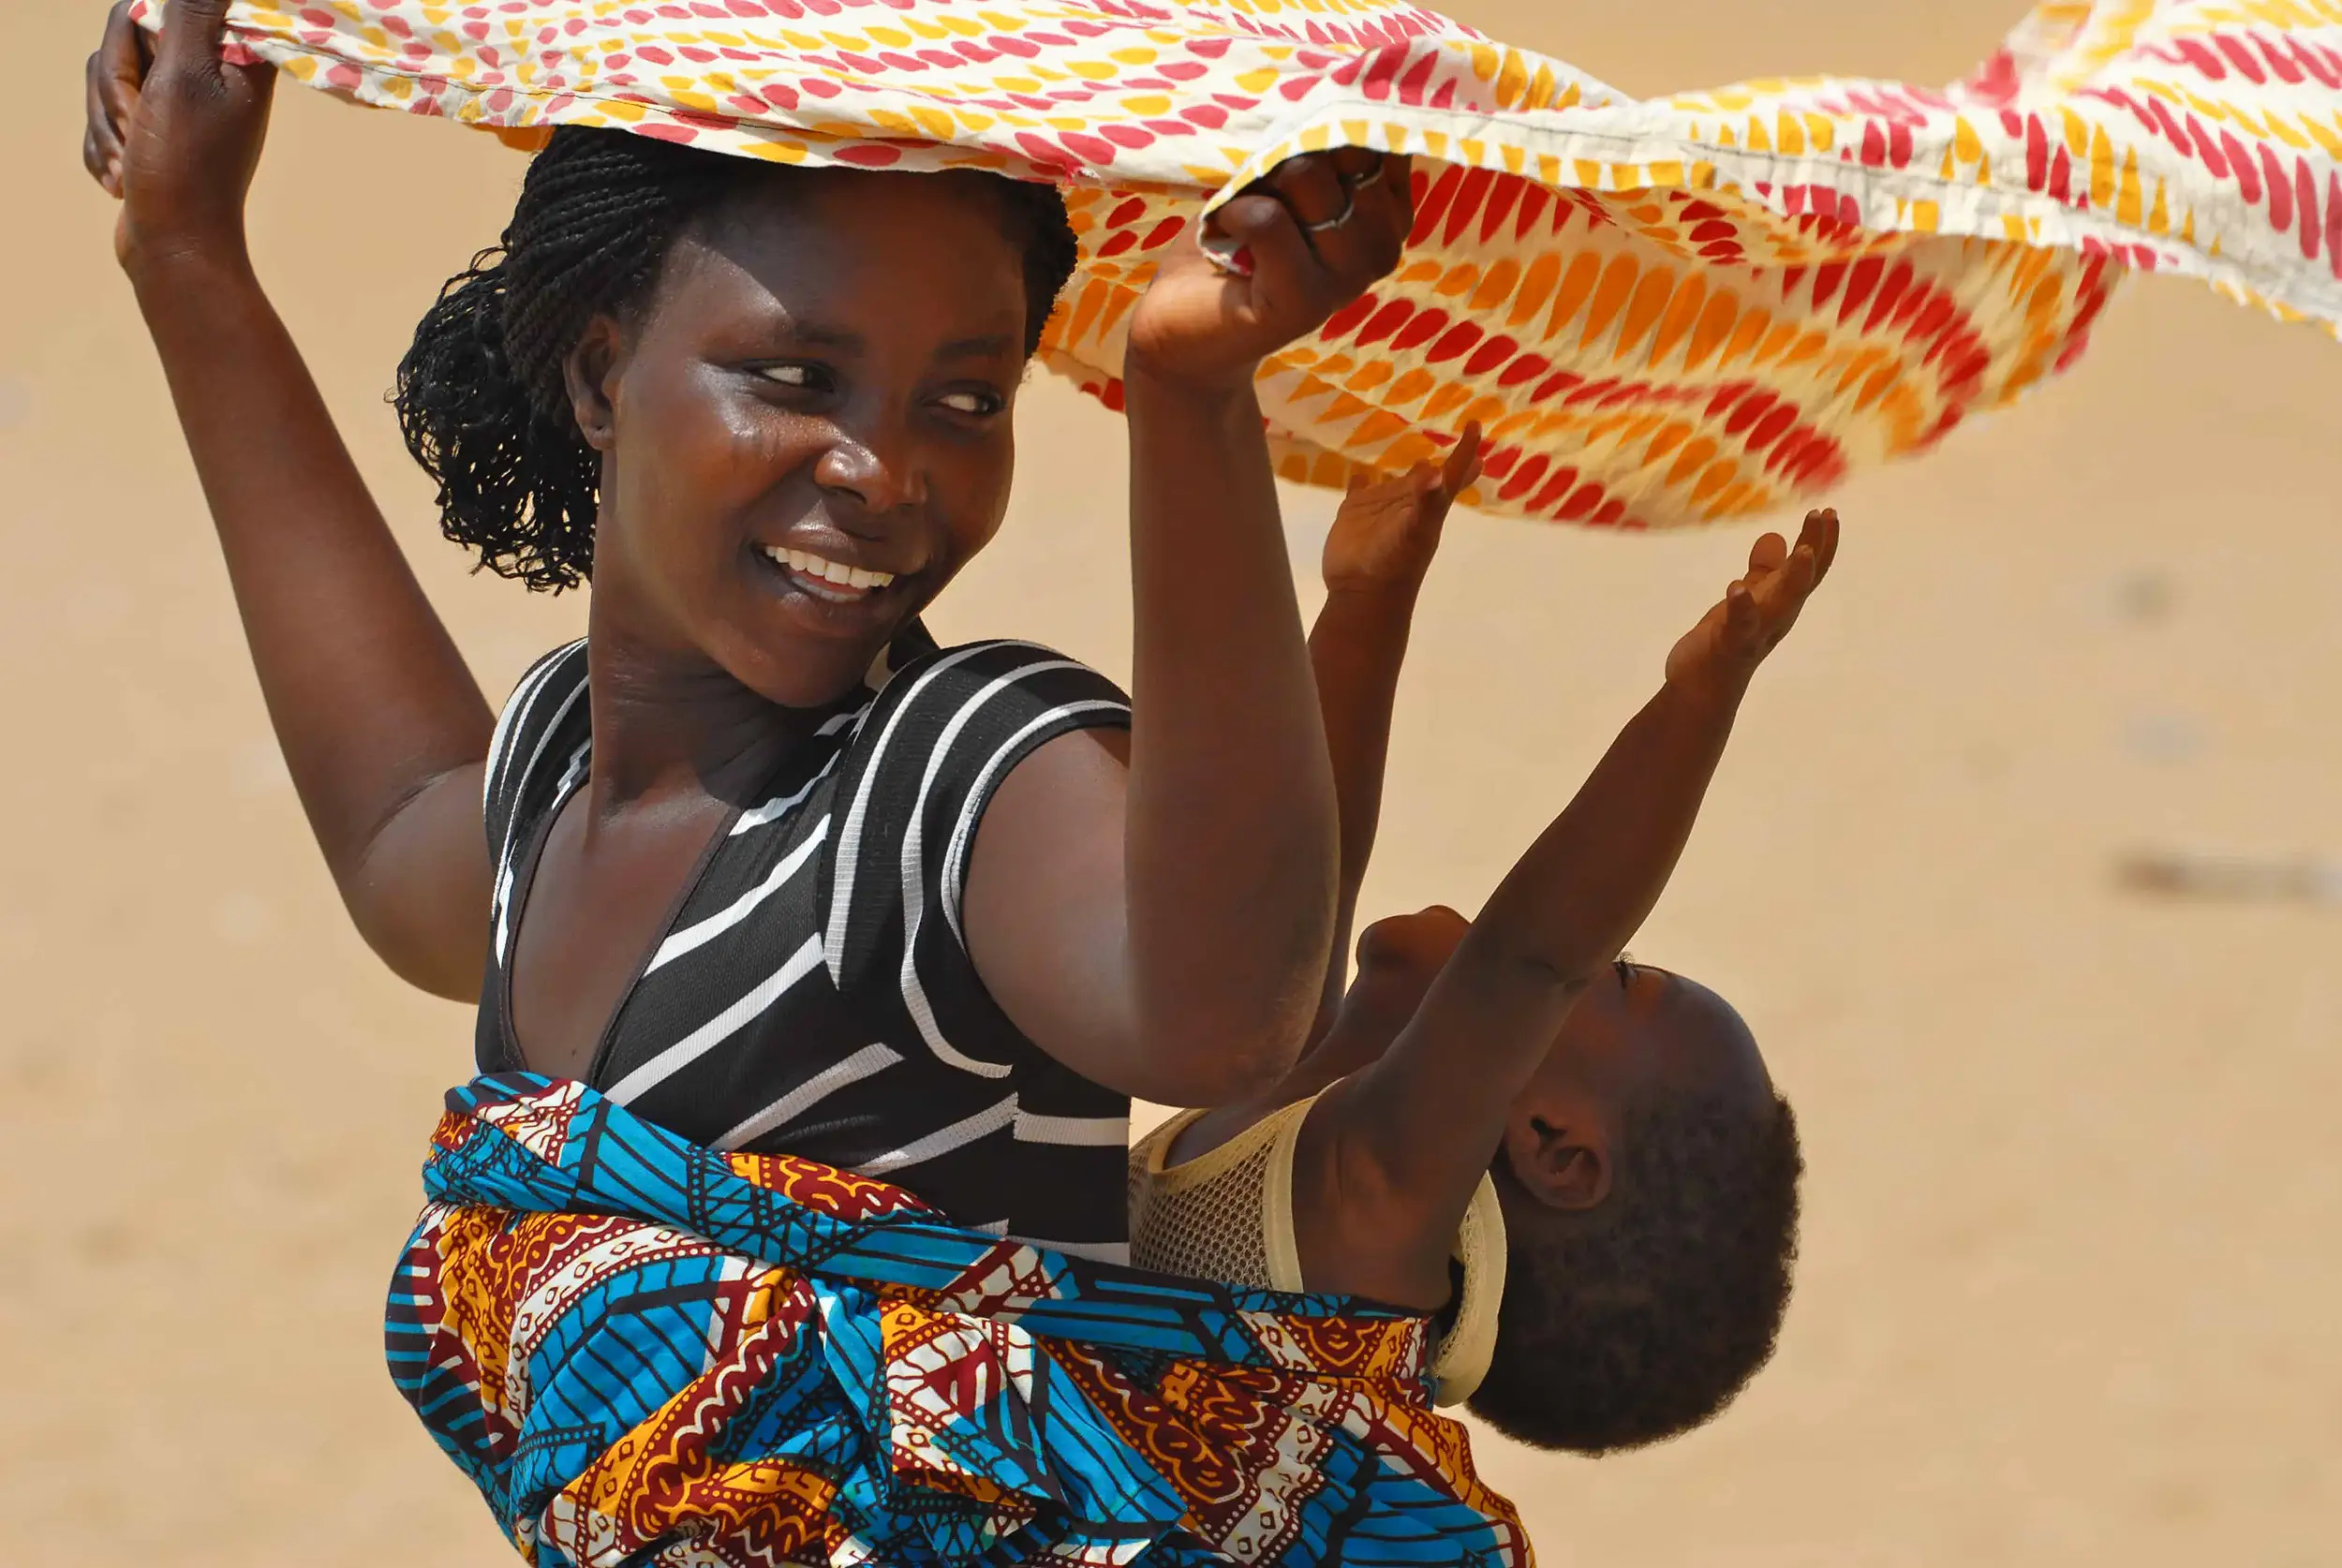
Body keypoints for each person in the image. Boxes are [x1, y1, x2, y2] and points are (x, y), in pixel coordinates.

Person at [82, 0, 1417, 1263]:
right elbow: (391, 828)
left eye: (965, 400)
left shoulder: (945, 777)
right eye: (793, 380)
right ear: (604, 375)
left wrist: (1191, 393)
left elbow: (1222, 1018)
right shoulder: (554, 770)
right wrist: (185, 253)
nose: (882, 473)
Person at [1133, 438, 1829, 1454]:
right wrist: (1370, 596)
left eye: (1615, 971)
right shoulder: (1296, 1118)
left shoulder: (1362, 1232)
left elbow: (1528, 955)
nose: (1584, 960)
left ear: (1546, 1142)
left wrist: (1704, 692)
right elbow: (1297, 867)